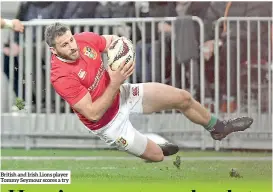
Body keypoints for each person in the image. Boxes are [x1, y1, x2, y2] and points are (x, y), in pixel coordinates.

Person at [46, 22, 253, 162]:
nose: (73, 46)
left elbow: (111, 41)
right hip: (108, 124)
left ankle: (218, 127)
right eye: (65, 45)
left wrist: (123, 48)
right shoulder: (60, 77)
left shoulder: (83, 41)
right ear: (54, 51)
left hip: (122, 94)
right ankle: (155, 142)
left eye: (71, 39)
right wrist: (115, 82)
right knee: (158, 157)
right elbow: (92, 113)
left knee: (182, 98)